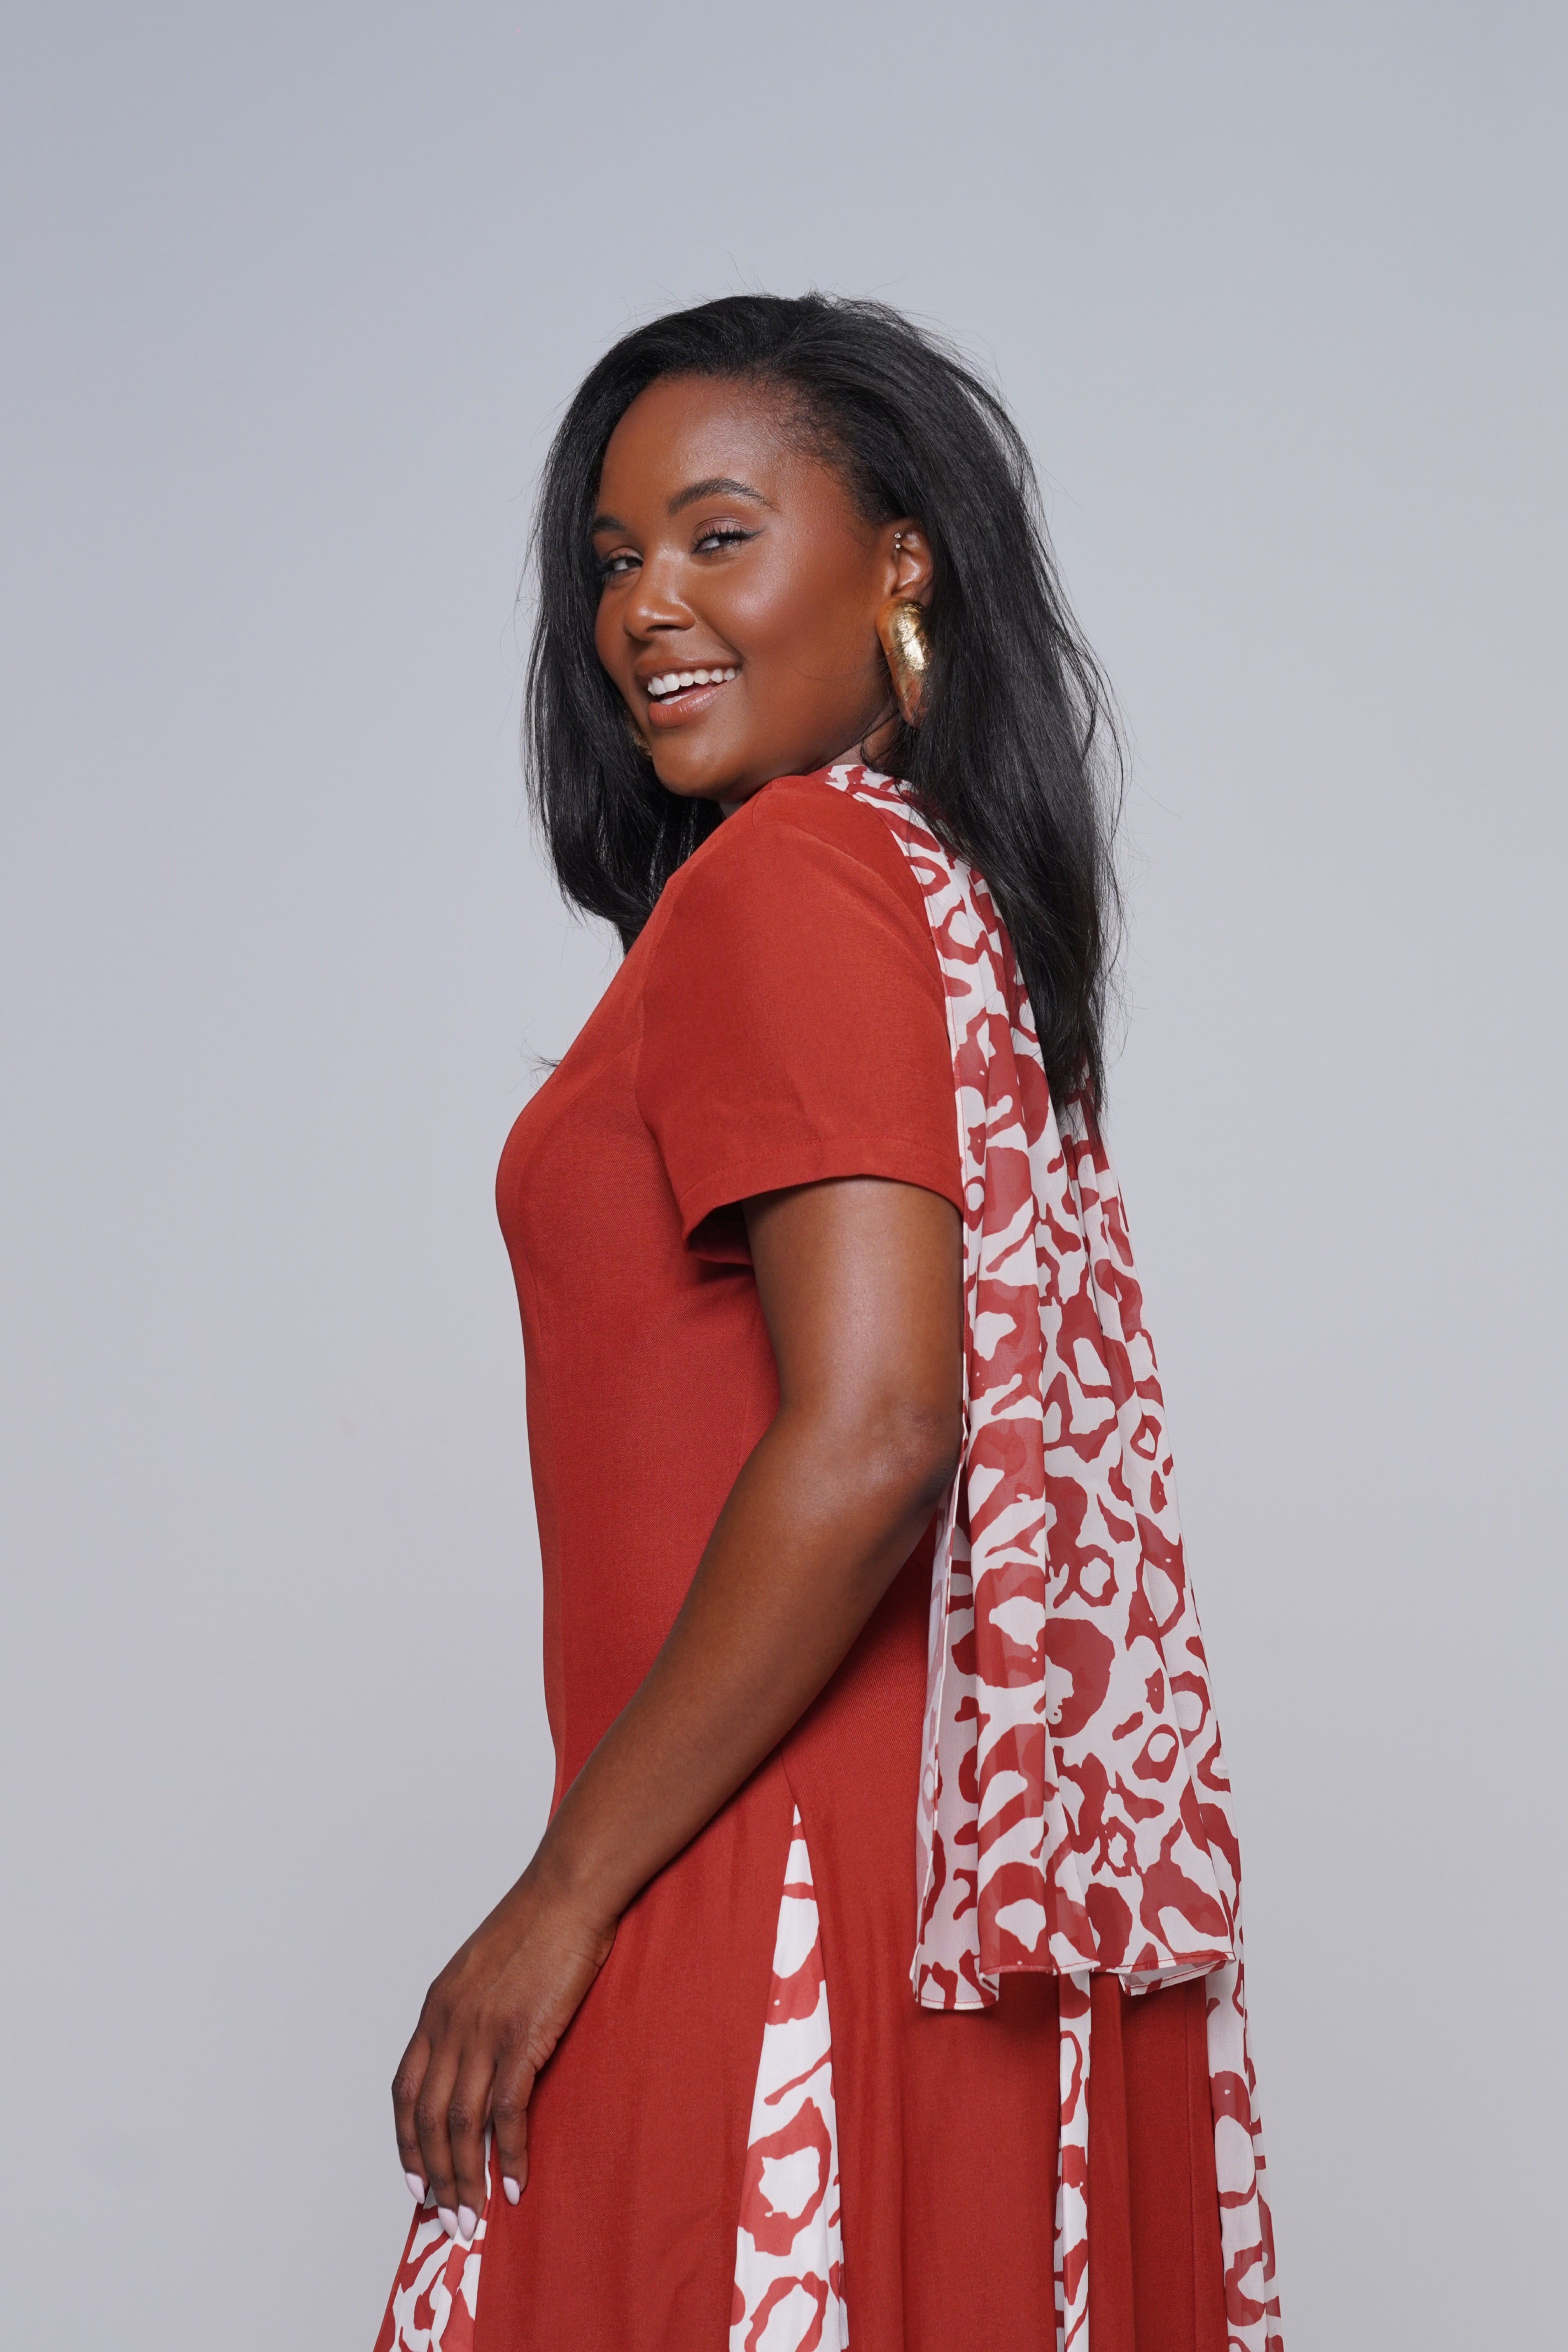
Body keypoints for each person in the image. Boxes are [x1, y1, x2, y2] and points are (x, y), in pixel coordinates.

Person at [373, 293, 1282, 2352]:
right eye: (613, 560)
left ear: (899, 566)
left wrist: (558, 1898)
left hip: (755, 1860)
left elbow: (879, 1426)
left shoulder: (791, 874)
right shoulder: (919, 885)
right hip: (910, 1860)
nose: (644, 609)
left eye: (718, 535)